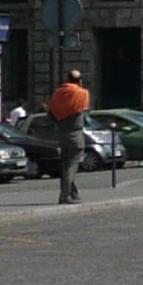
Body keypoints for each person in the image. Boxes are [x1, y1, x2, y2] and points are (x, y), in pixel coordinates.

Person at [48, 68, 90, 203]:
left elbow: (50, 114)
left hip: (61, 133)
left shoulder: (58, 93)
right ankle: (65, 195)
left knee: (66, 164)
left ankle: (73, 193)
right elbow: (83, 111)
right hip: (75, 134)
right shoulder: (82, 94)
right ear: (80, 81)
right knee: (72, 165)